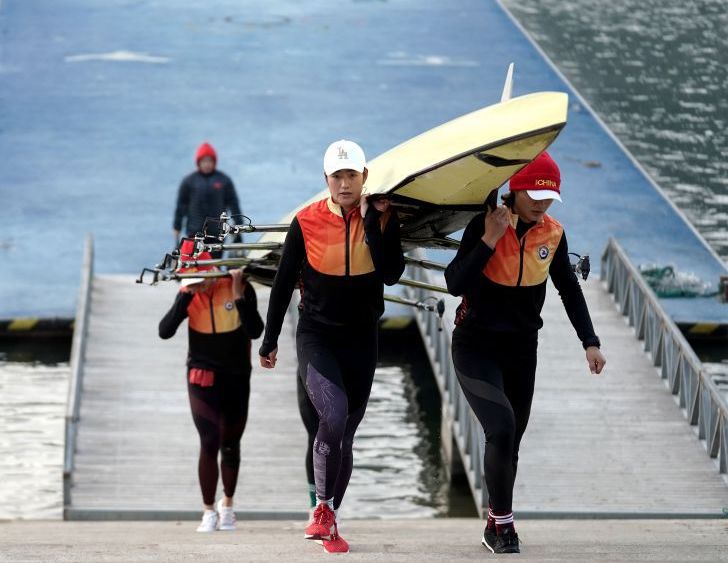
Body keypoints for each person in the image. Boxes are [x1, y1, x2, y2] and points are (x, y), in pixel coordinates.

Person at [444, 151, 606, 554]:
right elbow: (454, 282)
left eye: (549, 196)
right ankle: (505, 525)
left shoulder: (553, 234)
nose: (541, 203)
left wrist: (590, 341)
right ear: (514, 188)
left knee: (511, 442)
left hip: (521, 352)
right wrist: (489, 239)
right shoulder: (484, 225)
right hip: (475, 346)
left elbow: (569, 289)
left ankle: (494, 521)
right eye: (534, 194)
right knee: (500, 427)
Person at [258, 139, 405, 553]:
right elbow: (282, 284)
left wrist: (373, 225)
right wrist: (270, 339)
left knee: (346, 436)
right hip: (317, 335)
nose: (344, 183)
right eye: (337, 176)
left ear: (364, 177)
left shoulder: (382, 219)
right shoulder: (305, 222)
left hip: (362, 339)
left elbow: (392, 273)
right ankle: (321, 508)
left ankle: (331, 519)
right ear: (326, 179)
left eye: (351, 175)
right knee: (333, 414)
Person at [158, 241, 264, 532]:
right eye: (191, 282)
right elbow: (164, 331)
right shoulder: (189, 294)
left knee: (230, 442)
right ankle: (208, 511)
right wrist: (184, 297)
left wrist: (239, 296)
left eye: (200, 281)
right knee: (209, 440)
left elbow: (256, 331)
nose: (198, 287)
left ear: (211, 271)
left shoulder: (238, 286)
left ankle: (227, 505)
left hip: (237, 375)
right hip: (202, 375)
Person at [173, 142, 242, 247]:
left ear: (214, 162)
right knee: (195, 257)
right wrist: (177, 227)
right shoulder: (189, 181)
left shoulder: (224, 180)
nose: (207, 164)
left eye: (210, 161)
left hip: (217, 233)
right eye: (204, 161)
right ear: (199, 162)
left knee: (215, 258)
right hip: (195, 233)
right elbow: (181, 206)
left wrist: (239, 225)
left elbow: (233, 204)